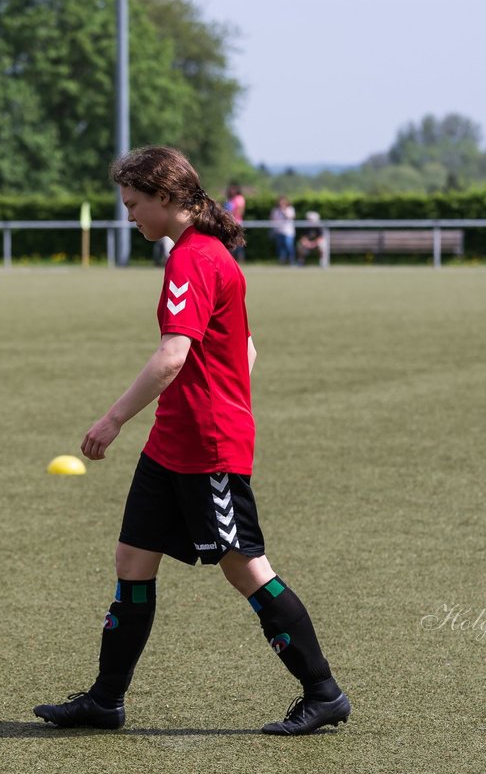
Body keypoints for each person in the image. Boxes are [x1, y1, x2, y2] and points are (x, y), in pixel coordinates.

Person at [33, 147, 350, 736]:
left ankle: (323, 692)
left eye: (133, 205)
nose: (129, 216)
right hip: (172, 441)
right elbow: (245, 349)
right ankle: (106, 701)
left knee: (245, 568)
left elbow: (174, 355)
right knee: (132, 559)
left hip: (207, 446)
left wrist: (113, 420)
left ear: (166, 198)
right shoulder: (203, 253)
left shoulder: (195, 259)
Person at [270, 196, 296, 264]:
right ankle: (282, 261)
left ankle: (291, 261)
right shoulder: (275, 210)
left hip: (288, 232)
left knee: (289, 246)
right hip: (279, 231)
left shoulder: (290, 209)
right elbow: (273, 219)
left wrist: (284, 211)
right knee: (280, 248)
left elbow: (290, 217)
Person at [224, 182, 246, 262]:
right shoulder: (229, 199)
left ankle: (240, 259)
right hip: (229, 223)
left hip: (237, 223)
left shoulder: (239, 198)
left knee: (238, 243)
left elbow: (239, 212)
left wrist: (231, 216)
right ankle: (231, 260)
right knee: (230, 243)